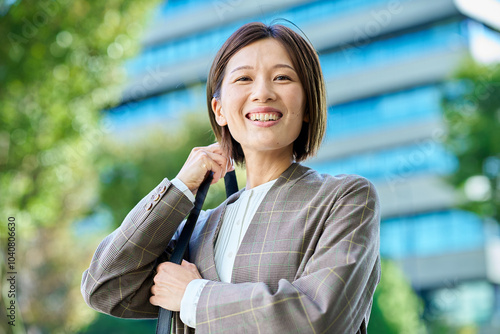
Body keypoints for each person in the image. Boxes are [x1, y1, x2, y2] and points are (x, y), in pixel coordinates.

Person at [81, 22, 381, 333]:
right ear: (220, 110)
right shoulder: (198, 230)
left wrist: (193, 296)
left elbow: (319, 317)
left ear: (307, 104)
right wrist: (180, 188)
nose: (262, 93)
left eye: (282, 77)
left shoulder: (345, 199)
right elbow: (105, 286)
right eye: (244, 79)